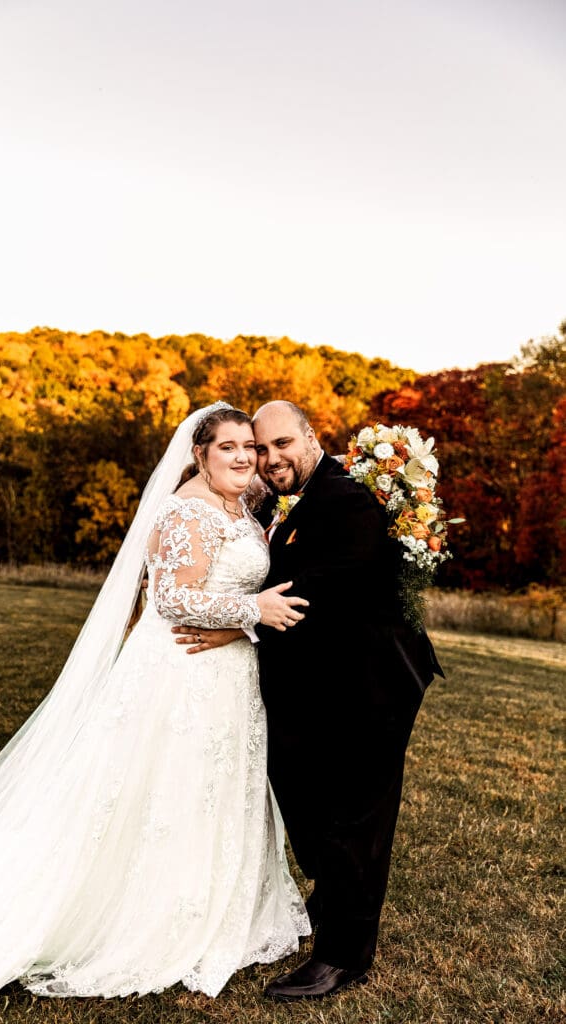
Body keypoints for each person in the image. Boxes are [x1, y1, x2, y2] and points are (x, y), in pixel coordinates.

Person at [0, 401, 312, 1024]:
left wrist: (245, 620)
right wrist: (253, 612)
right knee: (165, 788)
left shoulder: (243, 506)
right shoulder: (183, 511)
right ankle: (153, 913)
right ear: (200, 454)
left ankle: (219, 902)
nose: (246, 456)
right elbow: (170, 598)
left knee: (213, 788)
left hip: (226, 672)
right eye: (229, 447)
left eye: (251, 445)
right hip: (180, 673)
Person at [174, 400, 444, 1002]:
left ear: (312, 437)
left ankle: (343, 958)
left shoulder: (345, 500)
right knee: (306, 802)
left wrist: (234, 625)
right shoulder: (286, 498)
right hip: (317, 682)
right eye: (261, 449)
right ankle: (333, 906)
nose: (270, 459)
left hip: (369, 685)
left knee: (355, 818)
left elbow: (312, 595)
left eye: (281, 445)